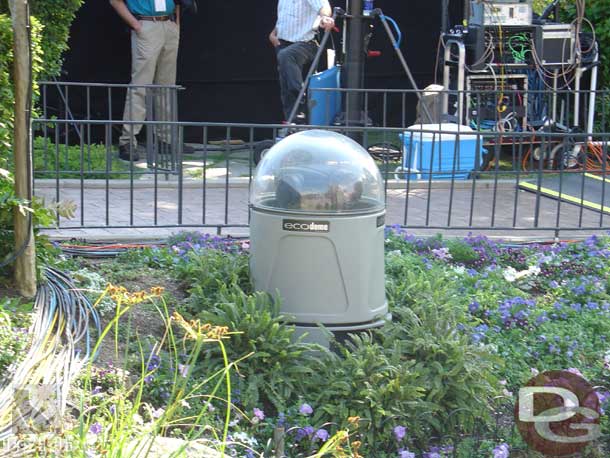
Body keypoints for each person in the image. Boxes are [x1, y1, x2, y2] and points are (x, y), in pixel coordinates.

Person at [110, 0, 186, 161]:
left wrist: (176, 23)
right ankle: (127, 141)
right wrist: (136, 25)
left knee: (166, 87)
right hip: (146, 24)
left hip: (169, 24)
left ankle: (165, 139)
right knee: (140, 86)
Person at [269, 0, 335, 125]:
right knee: (285, 86)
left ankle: (302, 104)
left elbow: (323, 5)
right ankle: (293, 123)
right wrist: (274, 33)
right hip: (283, 42)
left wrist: (325, 17)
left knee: (287, 55)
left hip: (306, 42)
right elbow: (286, 16)